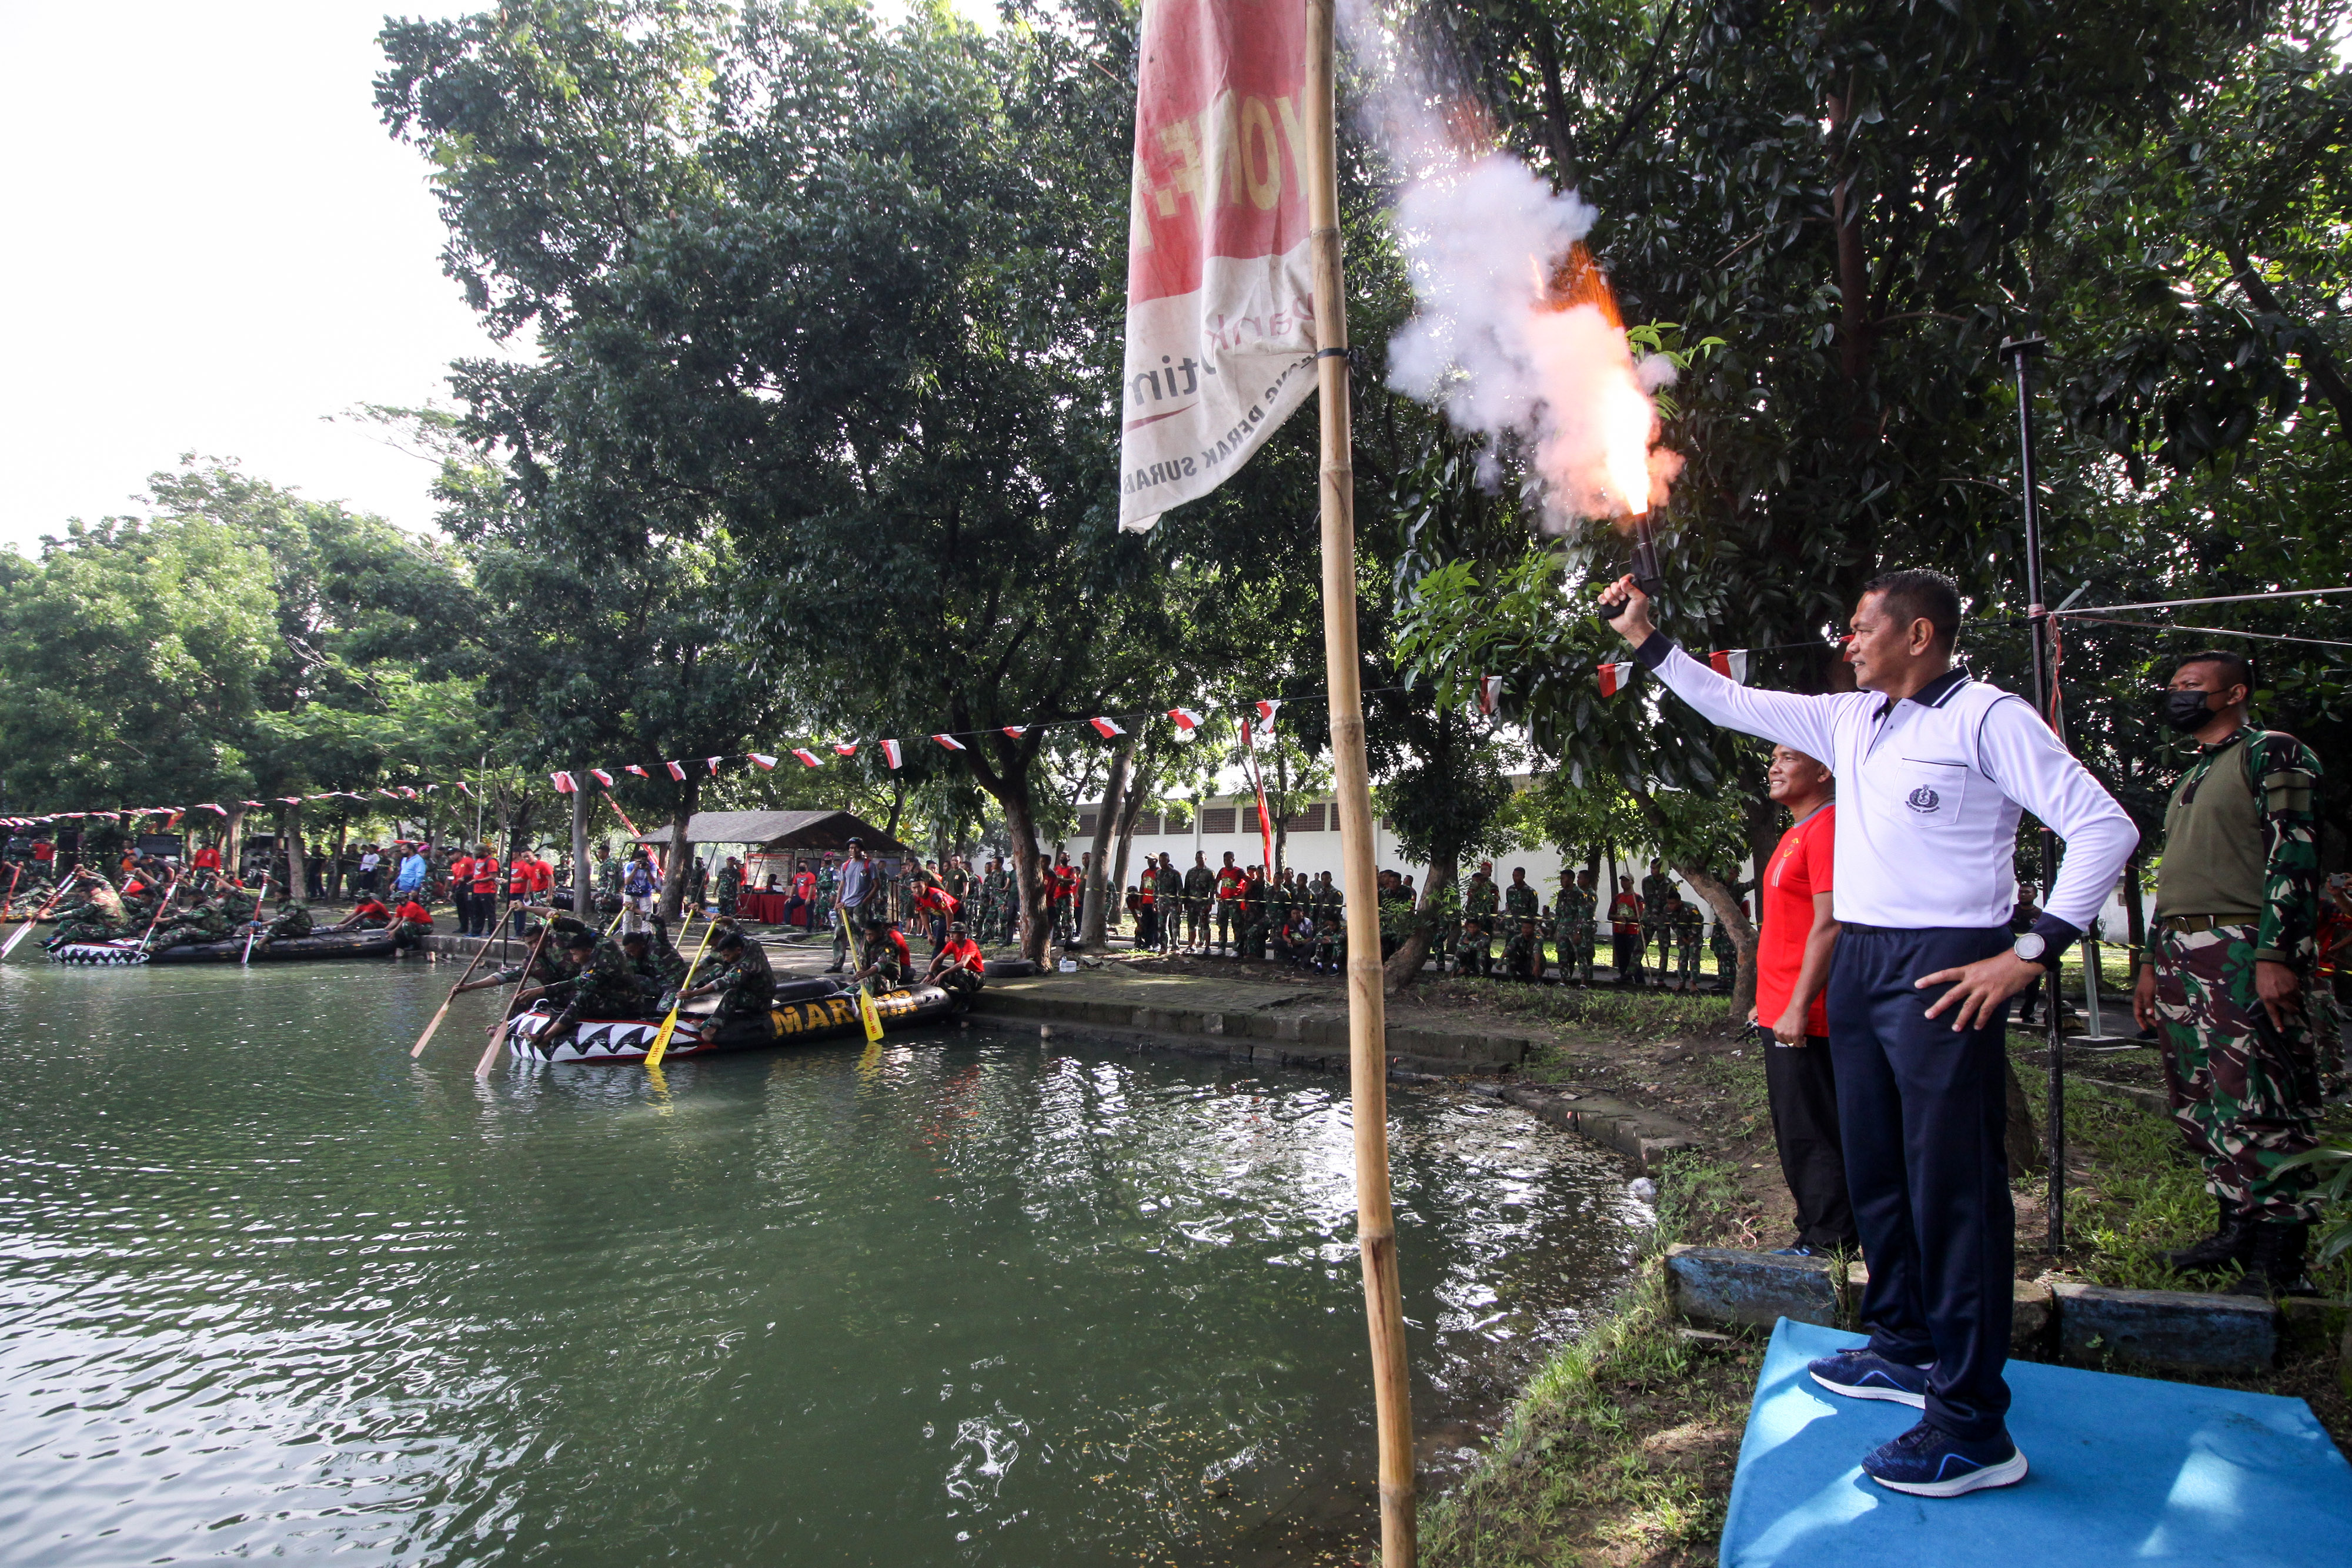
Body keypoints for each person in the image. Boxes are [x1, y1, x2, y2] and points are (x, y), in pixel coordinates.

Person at [1601, 566, 2135, 1498]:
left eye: (1860, 626)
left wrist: (2033, 950)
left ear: (1919, 634)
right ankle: (1902, 1342)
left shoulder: (1988, 716)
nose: (1846, 641)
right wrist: (1647, 637)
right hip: (1862, 962)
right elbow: (1728, 699)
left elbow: (2103, 826)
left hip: (1946, 964)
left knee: (1954, 1190)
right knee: (1876, 1165)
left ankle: (1972, 1424)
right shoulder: (1852, 720)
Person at [2131, 650, 2327, 1297]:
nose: (2177, 694)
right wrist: (2151, 967)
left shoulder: (2271, 753)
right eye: (2174, 685)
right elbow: (2177, 883)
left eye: (2193, 686)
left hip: (2243, 946)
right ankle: (2235, 1229)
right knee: (2206, 1097)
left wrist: (2275, 953)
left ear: (2234, 692)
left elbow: (2293, 855)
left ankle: (2280, 1261)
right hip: (2184, 949)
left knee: (2260, 1095)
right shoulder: (2194, 770)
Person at [1749, 743, 1857, 1258]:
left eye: (1789, 758)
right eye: (1773, 758)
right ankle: (1817, 1228)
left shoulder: (1829, 827)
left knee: (1811, 1128)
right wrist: (1766, 1001)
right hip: (1780, 1005)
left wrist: (1796, 1005)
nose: (1774, 767)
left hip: (1809, 1012)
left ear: (1823, 769)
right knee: (1794, 1125)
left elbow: (1830, 923)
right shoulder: (1796, 830)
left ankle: (1828, 1239)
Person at [829, 839, 877, 971]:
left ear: (861, 849)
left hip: (860, 905)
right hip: (845, 905)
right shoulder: (845, 866)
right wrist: (837, 903)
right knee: (839, 934)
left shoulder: (869, 865)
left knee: (859, 936)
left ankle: (858, 964)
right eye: (851, 848)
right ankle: (837, 964)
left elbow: (876, 885)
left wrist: (867, 899)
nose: (853, 850)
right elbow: (842, 885)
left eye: (856, 848)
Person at [924, 920, 987, 1008]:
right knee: (937, 969)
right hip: (962, 977)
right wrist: (930, 974)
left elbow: (962, 964)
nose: (951, 936)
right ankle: (946, 995)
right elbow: (937, 960)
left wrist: (944, 973)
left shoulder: (970, 944)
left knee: (960, 971)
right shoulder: (952, 944)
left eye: (954, 933)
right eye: (950, 933)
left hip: (977, 978)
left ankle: (967, 1002)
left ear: (962, 935)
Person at [851, 915, 911, 995]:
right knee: (859, 981)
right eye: (867, 935)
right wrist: (841, 911)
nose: (869, 937)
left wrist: (866, 973)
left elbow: (881, 963)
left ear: (879, 933)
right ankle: (843, 996)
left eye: (871, 935)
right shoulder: (865, 938)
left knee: (871, 979)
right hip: (867, 977)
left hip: (886, 980)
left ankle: (859, 998)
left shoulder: (890, 944)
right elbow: (852, 926)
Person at [1607, 877, 1645, 987]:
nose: (1623, 883)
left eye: (1626, 880)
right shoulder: (1617, 898)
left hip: (1632, 931)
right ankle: (1624, 977)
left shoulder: (1638, 898)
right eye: (1622, 880)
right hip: (1618, 930)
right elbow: (1610, 915)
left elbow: (1641, 916)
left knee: (1633, 956)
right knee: (1621, 955)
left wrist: (1627, 919)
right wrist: (1619, 918)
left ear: (1632, 882)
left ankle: (1639, 980)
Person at [1211, 852, 1246, 955]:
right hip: (1223, 903)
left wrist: (1242, 895)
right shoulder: (1222, 871)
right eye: (1225, 860)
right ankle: (1221, 948)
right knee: (1222, 925)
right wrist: (1216, 892)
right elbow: (1216, 881)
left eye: (1229, 859)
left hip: (1234, 903)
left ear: (1233, 860)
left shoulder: (1239, 871)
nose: (1227, 862)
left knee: (1237, 926)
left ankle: (1237, 949)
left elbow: (1249, 882)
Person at [622, 849, 659, 934]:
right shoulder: (630, 866)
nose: (642, 862)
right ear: (636, 860)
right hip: (631, 891)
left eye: (645, 860)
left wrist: (648, 870)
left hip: (645, 892)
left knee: (647, 916)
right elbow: (627, 882)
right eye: (640, 860)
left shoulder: (652, 866)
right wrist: (635, 869)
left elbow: (653, 882)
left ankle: (646, 936)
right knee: (627, 917)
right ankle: (627, 936)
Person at [469, 845, 502, 939]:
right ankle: (476, 931)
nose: (476, 854)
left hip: (487, 890)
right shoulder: (478, 861)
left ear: (484, 851)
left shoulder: (491, 861)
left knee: (490, 912)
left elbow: (493, 876)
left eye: (478, 852)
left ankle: (491, 932)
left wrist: (478, 881)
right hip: (477, 890)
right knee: (477, 912)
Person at [1504, 916, 1544, 983]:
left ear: (1533, 929)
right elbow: (1509, 948)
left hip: (1535, 965)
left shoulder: (1538, 938)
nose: (1526, 930)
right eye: (1524, 928)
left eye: (1528, 928)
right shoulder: (1518, 938)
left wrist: (1537, 965)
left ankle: (1537, 981)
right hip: (1523, 963)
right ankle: (1512, 980)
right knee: (1511, 956)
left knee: (1537, 958)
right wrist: (1500, 959)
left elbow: (1537, 951)